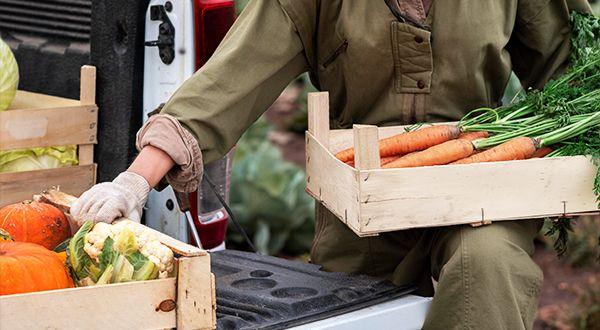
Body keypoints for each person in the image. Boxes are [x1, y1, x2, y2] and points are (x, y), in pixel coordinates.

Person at [71, 1, 592, 328]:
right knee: (342, 314)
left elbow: (573, 70)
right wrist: (135, 179)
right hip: (357, 203)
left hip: (480, 190)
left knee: (490, 269)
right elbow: (228, 82)